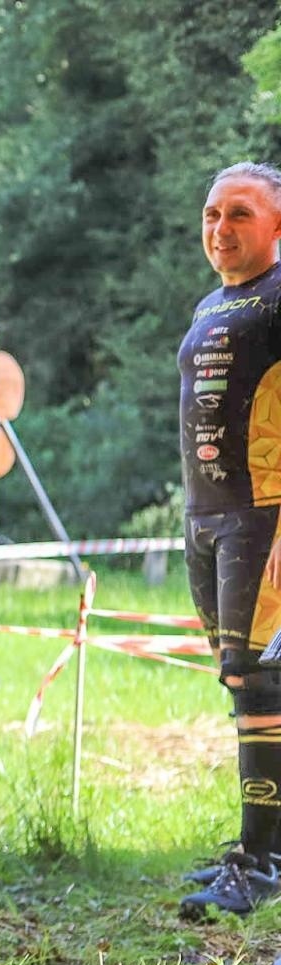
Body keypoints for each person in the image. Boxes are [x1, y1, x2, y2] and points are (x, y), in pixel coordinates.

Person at [174, 161, 281, 925]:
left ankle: (261, 864)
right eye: (212, 214)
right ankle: (258, 848)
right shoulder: (211, 303)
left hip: (265, 518)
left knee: (263, 686)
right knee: (247, 687)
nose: (221, 228)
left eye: (240, 213)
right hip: (208, 519)